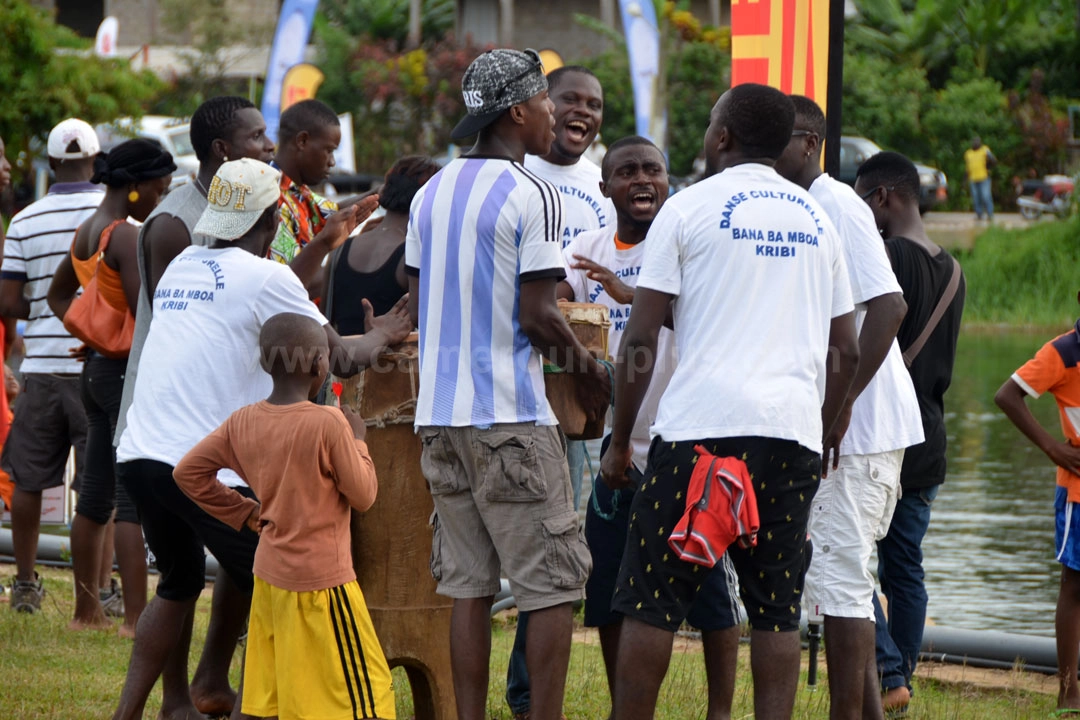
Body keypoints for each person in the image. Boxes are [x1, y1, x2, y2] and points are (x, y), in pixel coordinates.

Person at [111, 158, 409, 720]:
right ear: (273, 219)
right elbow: (335, 356)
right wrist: (382, 334)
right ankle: (253, 706)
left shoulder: (184, 267)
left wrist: (322, 244)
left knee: (177, 582)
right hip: (204, 467)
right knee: (273, 577)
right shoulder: (268, 277)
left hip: (142, 453)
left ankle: (169, 703)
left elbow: (265, 300)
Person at [598, 83, 859, 720]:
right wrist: (819, 430)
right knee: (776, 607)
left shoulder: (686, 210)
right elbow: (845, 351)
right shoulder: (817, 219)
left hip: (700, 436)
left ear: (723, 138)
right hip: (791, 438)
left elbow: (640, 338)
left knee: (652, 598)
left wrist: (620, 440)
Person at [405, 48, 609, 720]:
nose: (555, 112)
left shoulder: (431, 191)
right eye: (548, 101)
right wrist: (592, 377)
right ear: (519, 110)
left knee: (468, 585)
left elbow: (416, 290)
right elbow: (538, 315)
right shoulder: (534, 193)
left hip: (439, 418)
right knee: (551, 586)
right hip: (512, 418)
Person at [558, 135, 742, 720]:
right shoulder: (586, 247)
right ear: (606, 186)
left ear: (668, 181)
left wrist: (630, 295)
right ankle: (625, 704)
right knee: (609, 588)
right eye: (628, 171)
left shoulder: (689, 241)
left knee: (710, 586)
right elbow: (554, 306)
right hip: (613, 452)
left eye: (654, 170)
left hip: (686, 442)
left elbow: (708, 317)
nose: (643, 179)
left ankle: (718, 709)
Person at [112, 95, 277, 717]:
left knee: (184, 579)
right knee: (274, 575)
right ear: (221, 151)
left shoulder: (216, 250)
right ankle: (208, 700)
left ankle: (185, 697)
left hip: (165, 442)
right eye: (257, 135)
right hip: (192, 441)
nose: (268, 143)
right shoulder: (179, 227)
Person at [774, 96, 923, 720]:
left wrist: (839, 410)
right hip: (835, 426)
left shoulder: (837, 204)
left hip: (856, 432)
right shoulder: (796, 206)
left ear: (808, 144)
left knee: (842, 586)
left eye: (772, 139)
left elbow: (889, 307)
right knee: (840, 584)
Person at [173, 312, 396, 720]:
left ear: (265, 364)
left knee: (269, 695)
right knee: (363, 699)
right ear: (318, 364)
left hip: (269, 580)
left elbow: (187, 473)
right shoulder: (328, 422)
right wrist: (359, 441)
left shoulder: (243, 421)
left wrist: (245, 512)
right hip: (324, 585)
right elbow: (363, 496)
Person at [507, 63, 617, 720]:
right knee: (532, 545)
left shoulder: (603, 189)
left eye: (594, 104)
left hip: (582, 392)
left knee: (568, 544)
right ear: (541, 105)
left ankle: (539, 693)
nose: (582, 112)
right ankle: (525, 695)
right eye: (570, 99)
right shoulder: (517, 174)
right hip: (512, 386)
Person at [47, 138, 175, 636]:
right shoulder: (124, 235)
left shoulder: (87, 231)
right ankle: (136, 619)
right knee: (127, 498)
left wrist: (93, 334)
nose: (162, 198)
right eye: (160, 190)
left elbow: (59, 294)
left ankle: (86, 612)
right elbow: (149, 313)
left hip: (95, 372)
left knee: (95, 492)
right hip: (124, 373)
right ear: (138, 189)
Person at [854, 151, 965, 714]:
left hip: (885, 433)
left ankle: (889, 671)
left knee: (848, 555)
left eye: (863, 203)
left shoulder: (889, 254)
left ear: (883, 199)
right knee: (905, 565)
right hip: (932, 436)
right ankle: (902, 676)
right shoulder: (953, 266)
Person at [0, 118, 101, 614]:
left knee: (29, 479)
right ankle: (98, 590)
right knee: (97, 484)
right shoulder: (112, 219)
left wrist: (41, 307)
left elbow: (8, 300)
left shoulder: (24, 219)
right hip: (97, 366)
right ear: (95, 160)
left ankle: (24, 585)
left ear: (53, 164)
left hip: (40, 363)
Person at [994, 300, 1080, 717]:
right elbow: (1007, 395)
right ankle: (1068, 692)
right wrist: (1051, 447)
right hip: (1078, 493)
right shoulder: (1064, 353)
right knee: (1075, 586)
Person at [270, 98, 376, 298]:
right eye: (328, 150)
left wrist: (382, 193)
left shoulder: (297, 191)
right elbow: (290, 285)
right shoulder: (272, 199)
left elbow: (332, 211)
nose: (332, 162)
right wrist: (354, 258)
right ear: (302, 141)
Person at [324, 155, 441, 331]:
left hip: (341, 356)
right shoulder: (414, 255)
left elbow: (325, 321)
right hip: (395, 358)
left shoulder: (339, 250)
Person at [963, 135, 996, 222]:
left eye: (978, 142)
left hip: (984, 178)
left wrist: (989, 161)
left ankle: (990, 214)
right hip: (973, 179)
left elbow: (993, 161)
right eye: (975, 142)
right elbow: (967, 168)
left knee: (986, 196)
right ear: (972, 143)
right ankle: (979, 214)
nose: (976, 144)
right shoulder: (968, 153)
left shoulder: (984, 150)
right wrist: (964, 180)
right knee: (976, 197)